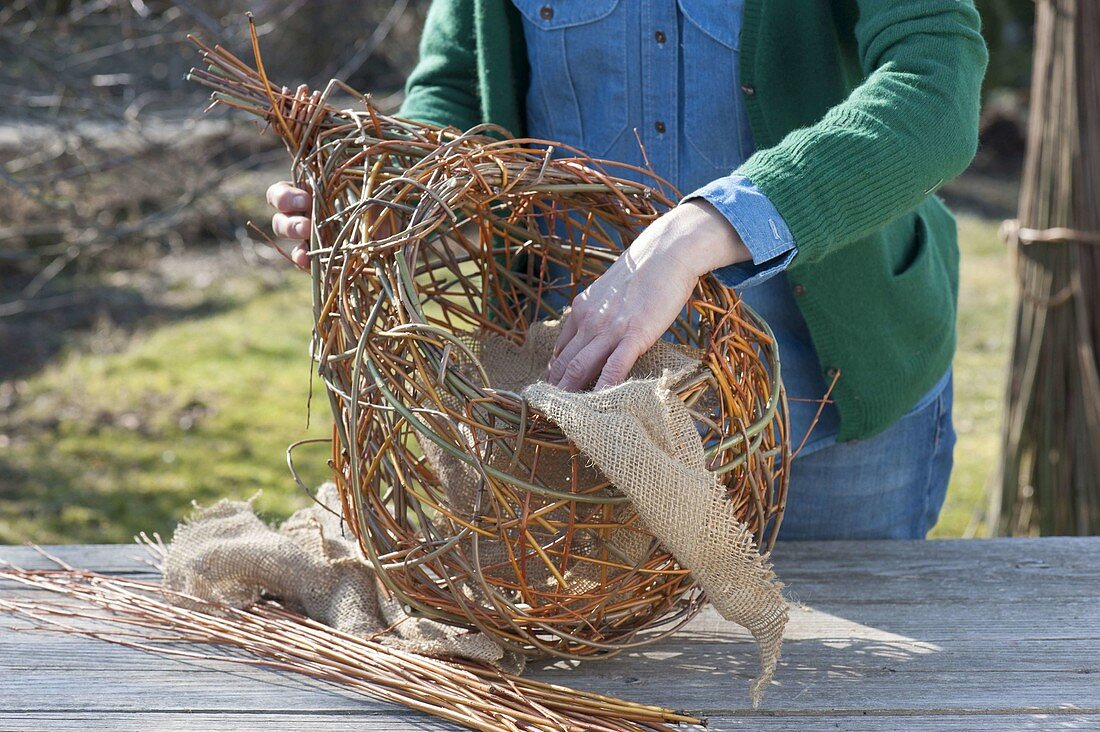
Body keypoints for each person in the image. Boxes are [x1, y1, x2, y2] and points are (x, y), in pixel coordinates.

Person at [267, 0, 988, 540]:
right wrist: (395, 192)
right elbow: (460, 85)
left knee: (842, 693)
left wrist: (697, 234)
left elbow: (935, 86)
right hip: (571, 418)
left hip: (825, 419)